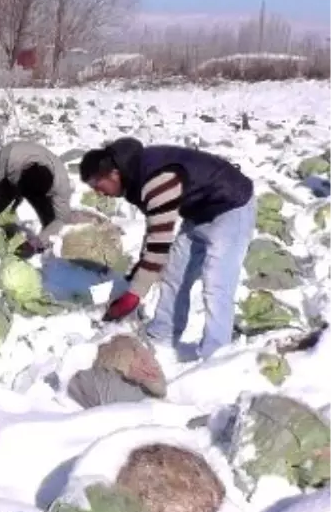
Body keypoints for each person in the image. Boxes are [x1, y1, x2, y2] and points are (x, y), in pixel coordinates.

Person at [79, 137, 256, 359]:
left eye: (98, 185)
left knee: (217, 285)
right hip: (199, 212)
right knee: (175, 274)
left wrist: (134, 295)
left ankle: (215, 353)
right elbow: (154, 228)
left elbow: (160, 241)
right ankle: (161, 336)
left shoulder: (156, 181)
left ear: (113, 174)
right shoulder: (134, 176)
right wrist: (139, 274)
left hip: (231, 207)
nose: (98, 193)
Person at [0, 140, 72, 259]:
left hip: (42, 190)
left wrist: (36, 243)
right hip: (11, 175)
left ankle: (43, 252)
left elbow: (61, 219)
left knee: (51, 224)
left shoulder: (61, 185)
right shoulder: (9, 157)